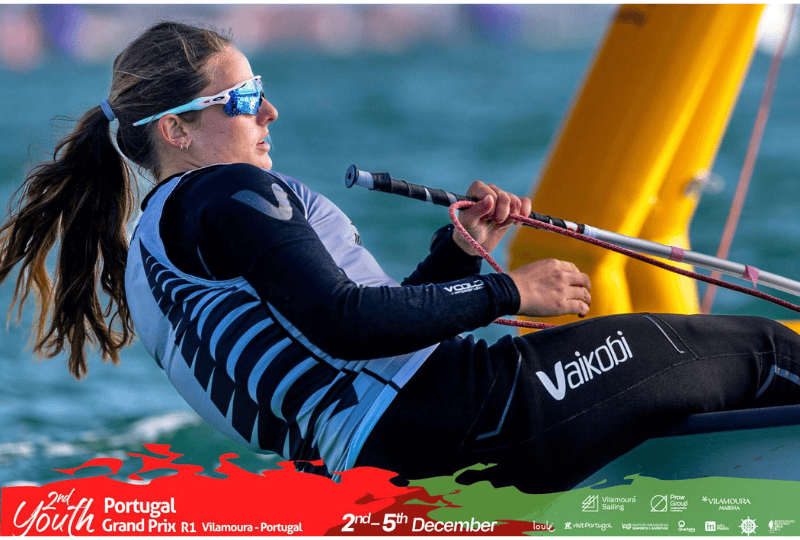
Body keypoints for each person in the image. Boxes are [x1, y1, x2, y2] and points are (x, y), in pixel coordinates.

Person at [1, 21, 799, 494]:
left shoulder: (152, 251)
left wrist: (459, 253)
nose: (268, 111)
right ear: (176, 129)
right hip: (465, 420)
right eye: (241, 100)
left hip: (379, 468)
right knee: (767, 352)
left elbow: (343, 354)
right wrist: (509, 293)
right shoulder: (227, 192)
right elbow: (345, 323)